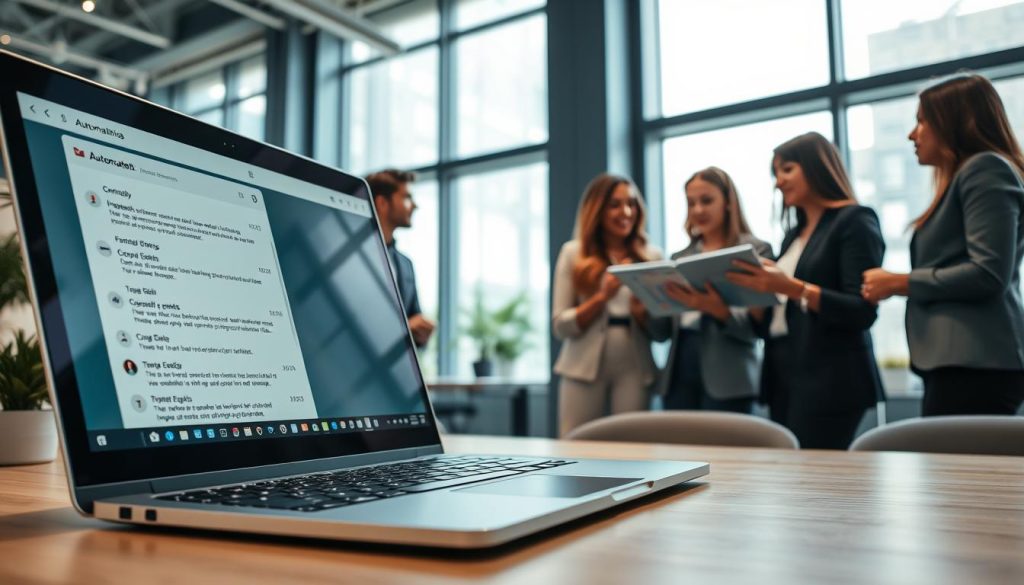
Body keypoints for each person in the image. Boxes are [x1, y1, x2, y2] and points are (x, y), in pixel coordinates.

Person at [861, 74, 1024, 416]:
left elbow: (988, 274)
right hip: (961, 364)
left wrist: (900, 282)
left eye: (921, 121)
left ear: (956, 123)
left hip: (976, 365)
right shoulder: (971, 175)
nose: (911, 134)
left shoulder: (985, 169)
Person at [726, 132, 885, 449]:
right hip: (785, 372)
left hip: (831, 377)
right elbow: (777, 317)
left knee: (818, 484)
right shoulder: (792, 236)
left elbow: (862, 310)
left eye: (786, 170)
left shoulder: (854, 220)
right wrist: (756, 297)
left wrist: (792, 288)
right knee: (793, 481)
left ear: (816, 167)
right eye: (775, 173)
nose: (778, 182)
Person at [552, 173, 669, 436]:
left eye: (631, 204)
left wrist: (642, 314)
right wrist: (602, 297)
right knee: (575, 444)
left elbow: (663, 331)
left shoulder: (653, 255)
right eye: (615, 205)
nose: (625, 212)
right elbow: (560, 326)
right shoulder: (574, 253)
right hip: (582, 367)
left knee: (633, 448)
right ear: (597, 209)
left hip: (636, 367)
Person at [655, 167, 772, 413]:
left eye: (706, 201)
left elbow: (756, 330)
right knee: (680, 449)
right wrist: (648, 304)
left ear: (728, 202)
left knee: (727, 451)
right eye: (691, 203)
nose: (698, 210)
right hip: (679, 371)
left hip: (730, 375)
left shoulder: (756, 252)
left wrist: (715, 309)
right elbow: (663, 332)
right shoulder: (679, 258)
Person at [365, 169, 435, 348]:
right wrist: (404, 328)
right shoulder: (356, 259)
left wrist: (421, 334)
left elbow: (414, 322)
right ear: (382, 203)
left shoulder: (406, 264)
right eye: (407, 197)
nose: (415, 205)